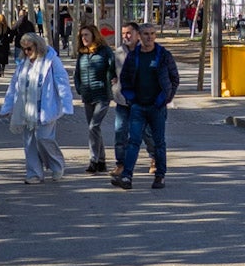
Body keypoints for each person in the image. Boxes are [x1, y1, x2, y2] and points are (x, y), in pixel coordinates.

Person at [0, 31, 74, 185]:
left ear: (38, 47)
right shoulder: (22, 64)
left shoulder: (51, 61)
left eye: (29, 49)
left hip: (46, 106)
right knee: (29, 142)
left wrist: (67, 104)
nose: (26, 52)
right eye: (24, 49)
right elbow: (14, 86)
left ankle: (56, 164)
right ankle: (34, 173)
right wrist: (7, 107)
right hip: (26, 108)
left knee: (43, 138)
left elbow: (62, 82)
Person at [112, 22, 179, 190]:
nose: (149, 37)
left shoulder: (163, 55)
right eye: (146, 34)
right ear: (140, 36)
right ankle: (126, 176)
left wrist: (165, 98)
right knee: (133, 141)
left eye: (152, 34)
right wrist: (131, 98)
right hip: (138, 107)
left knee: (159, 143)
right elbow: (125, 80)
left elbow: (174, 79)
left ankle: (160, 176)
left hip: (157, 107)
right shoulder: (133, 57)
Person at [111, 22, 155, 180]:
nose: (126, 36)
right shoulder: (118, 52)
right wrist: (113, 82)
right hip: (123, 101)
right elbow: (112, 71)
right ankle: (121, 164)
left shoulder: (146, 51)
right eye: (123, 33)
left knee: (146, 133)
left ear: (138, 34)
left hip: (142, 102)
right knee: (119, 133)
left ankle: (154, 158)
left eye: (129, 33)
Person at [74, 24, 116, 174]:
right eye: (82, 36)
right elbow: (77, 73)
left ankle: (93, 160)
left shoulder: (105, 52)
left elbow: (113, 70)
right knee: (95, 129)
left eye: (86, 35)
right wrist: (79, 88)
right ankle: (101, 161)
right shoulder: (82, 54)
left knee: (93, 127)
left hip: (102, 95)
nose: (84, 38)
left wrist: (113, 82)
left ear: (94, 36)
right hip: (87, 96)